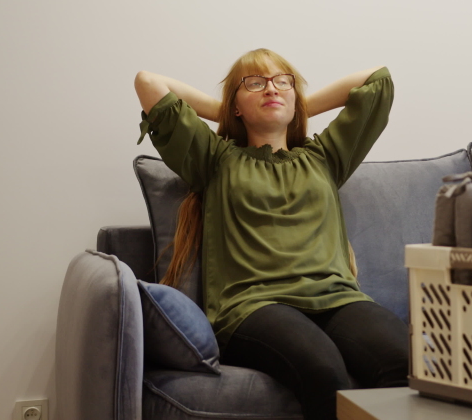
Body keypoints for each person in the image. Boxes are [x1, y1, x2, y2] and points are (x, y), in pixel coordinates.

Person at [134, 48, 409, 420]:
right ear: (235, 105)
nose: (271, 89)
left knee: (405, 360)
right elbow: (149, 84)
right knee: (324, 370)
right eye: (255, 83)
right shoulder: (216, 159)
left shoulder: (325, 158)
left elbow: (379, 78)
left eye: (283, 82)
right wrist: (225, 113)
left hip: (336, 298)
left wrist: (298, 105)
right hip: (253, 305)